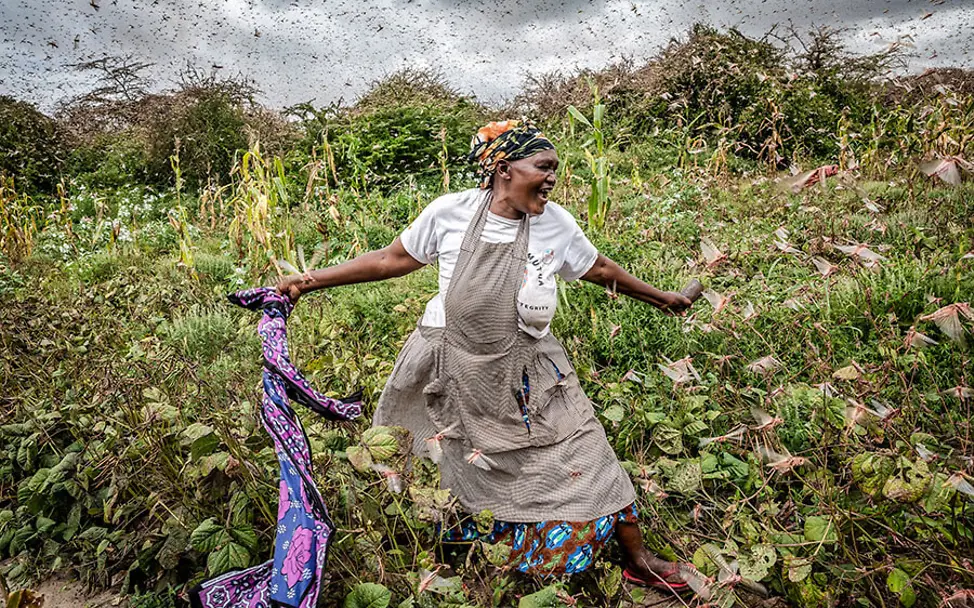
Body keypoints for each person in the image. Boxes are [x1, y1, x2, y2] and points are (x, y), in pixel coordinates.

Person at [276, 120, 697, 592]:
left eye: (555, 167)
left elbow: (597, 268)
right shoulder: (449, 213)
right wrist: (308, 281)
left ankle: (637, 559)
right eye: (543, 166)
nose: (553, 177)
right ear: (503, 168)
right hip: (450, 364)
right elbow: (390, 260)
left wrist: (662, 298)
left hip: (531, 367)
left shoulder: (554, 222)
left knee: (586, 445)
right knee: (451, 463)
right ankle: (456, 562)